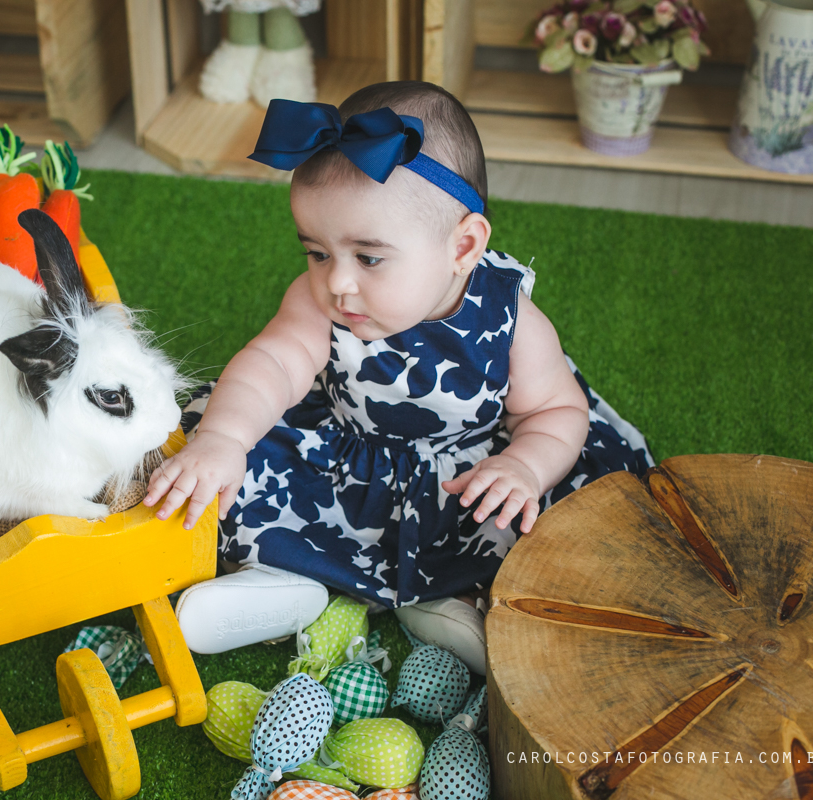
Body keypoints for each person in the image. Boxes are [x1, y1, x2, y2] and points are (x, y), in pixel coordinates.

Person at [143, 82, 653, 674]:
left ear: (463, 245)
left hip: (467, 480)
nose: (336, 282)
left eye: (369, 257)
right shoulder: (322, 303)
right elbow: (273, 364)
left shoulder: (512, 321)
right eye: (317, 252)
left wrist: (525, 466)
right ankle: (283, 586)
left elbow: (555, 413)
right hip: (350, 466)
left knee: (551, 525)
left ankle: (448, 603)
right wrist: (225, 442)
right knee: (222, 473)